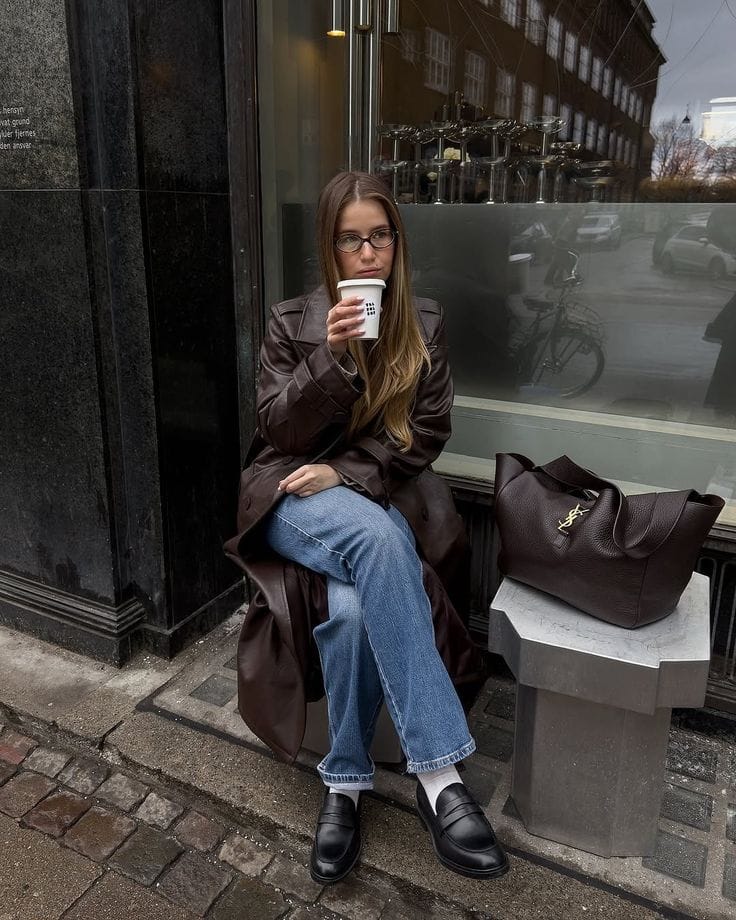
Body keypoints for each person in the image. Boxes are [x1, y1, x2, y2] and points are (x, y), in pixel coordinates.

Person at [225, 171, 508, 885]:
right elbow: (276, 430)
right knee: (378, 539)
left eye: (379, 236)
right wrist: (333, 359)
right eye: (350, 239)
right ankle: (440, 776)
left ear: (397, 242)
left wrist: (346, 473)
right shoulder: (293, 321)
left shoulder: (425, 323)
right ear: (330, 247)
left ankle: (345, 783)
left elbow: (428, 430)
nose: (367, 253)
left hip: (371, 494)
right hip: (288, 495)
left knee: (351, 610)